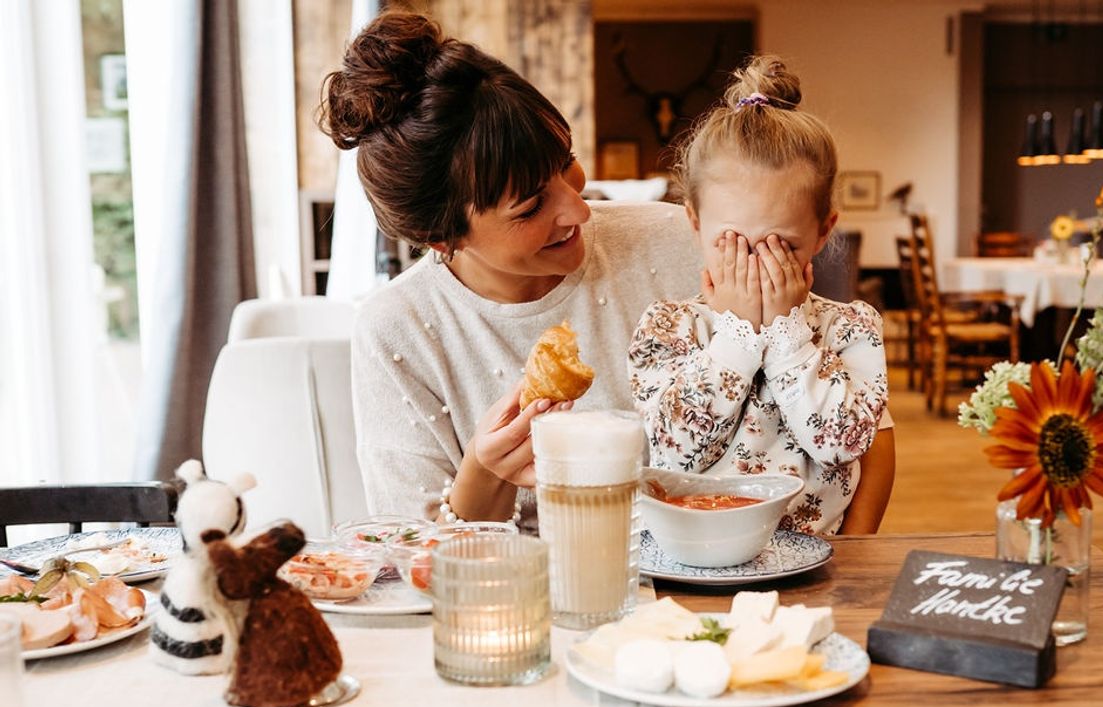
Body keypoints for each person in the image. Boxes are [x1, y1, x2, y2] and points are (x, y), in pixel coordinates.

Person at [320, 11, 893, 532]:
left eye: (566, 164)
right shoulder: (399, 329)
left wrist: (852, 564)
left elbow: (863, 433)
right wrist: (485, 470)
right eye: (531, 206)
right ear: (441, 236)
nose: (579, 209)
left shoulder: (691, 238)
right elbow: (415, 552)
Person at [627, 57, 891, 535]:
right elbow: (678, 452)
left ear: (823, 231)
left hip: (814, 560)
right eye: (732, 244)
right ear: (694, 223)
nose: (753, 267)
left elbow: (841, 444)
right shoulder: (667, 328)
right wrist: (737, 336)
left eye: (779, 247)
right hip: (692, 557)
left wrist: (790, 338)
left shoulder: (851, 329)